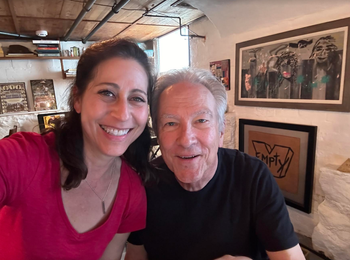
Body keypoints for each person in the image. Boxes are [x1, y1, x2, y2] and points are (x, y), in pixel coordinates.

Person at [125, 68, 305, 260]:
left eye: (201, 120)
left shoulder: (252, 176)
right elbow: (135, 256)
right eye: (170, 123)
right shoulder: (144, 185)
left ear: (220, 131)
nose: (186, 140)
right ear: (158, 135)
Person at [0, 38, 155, 260]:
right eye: (107, 93)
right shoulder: (24, 158)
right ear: (78, 99)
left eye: (137, 98)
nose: (122, 114)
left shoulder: (132, 192)